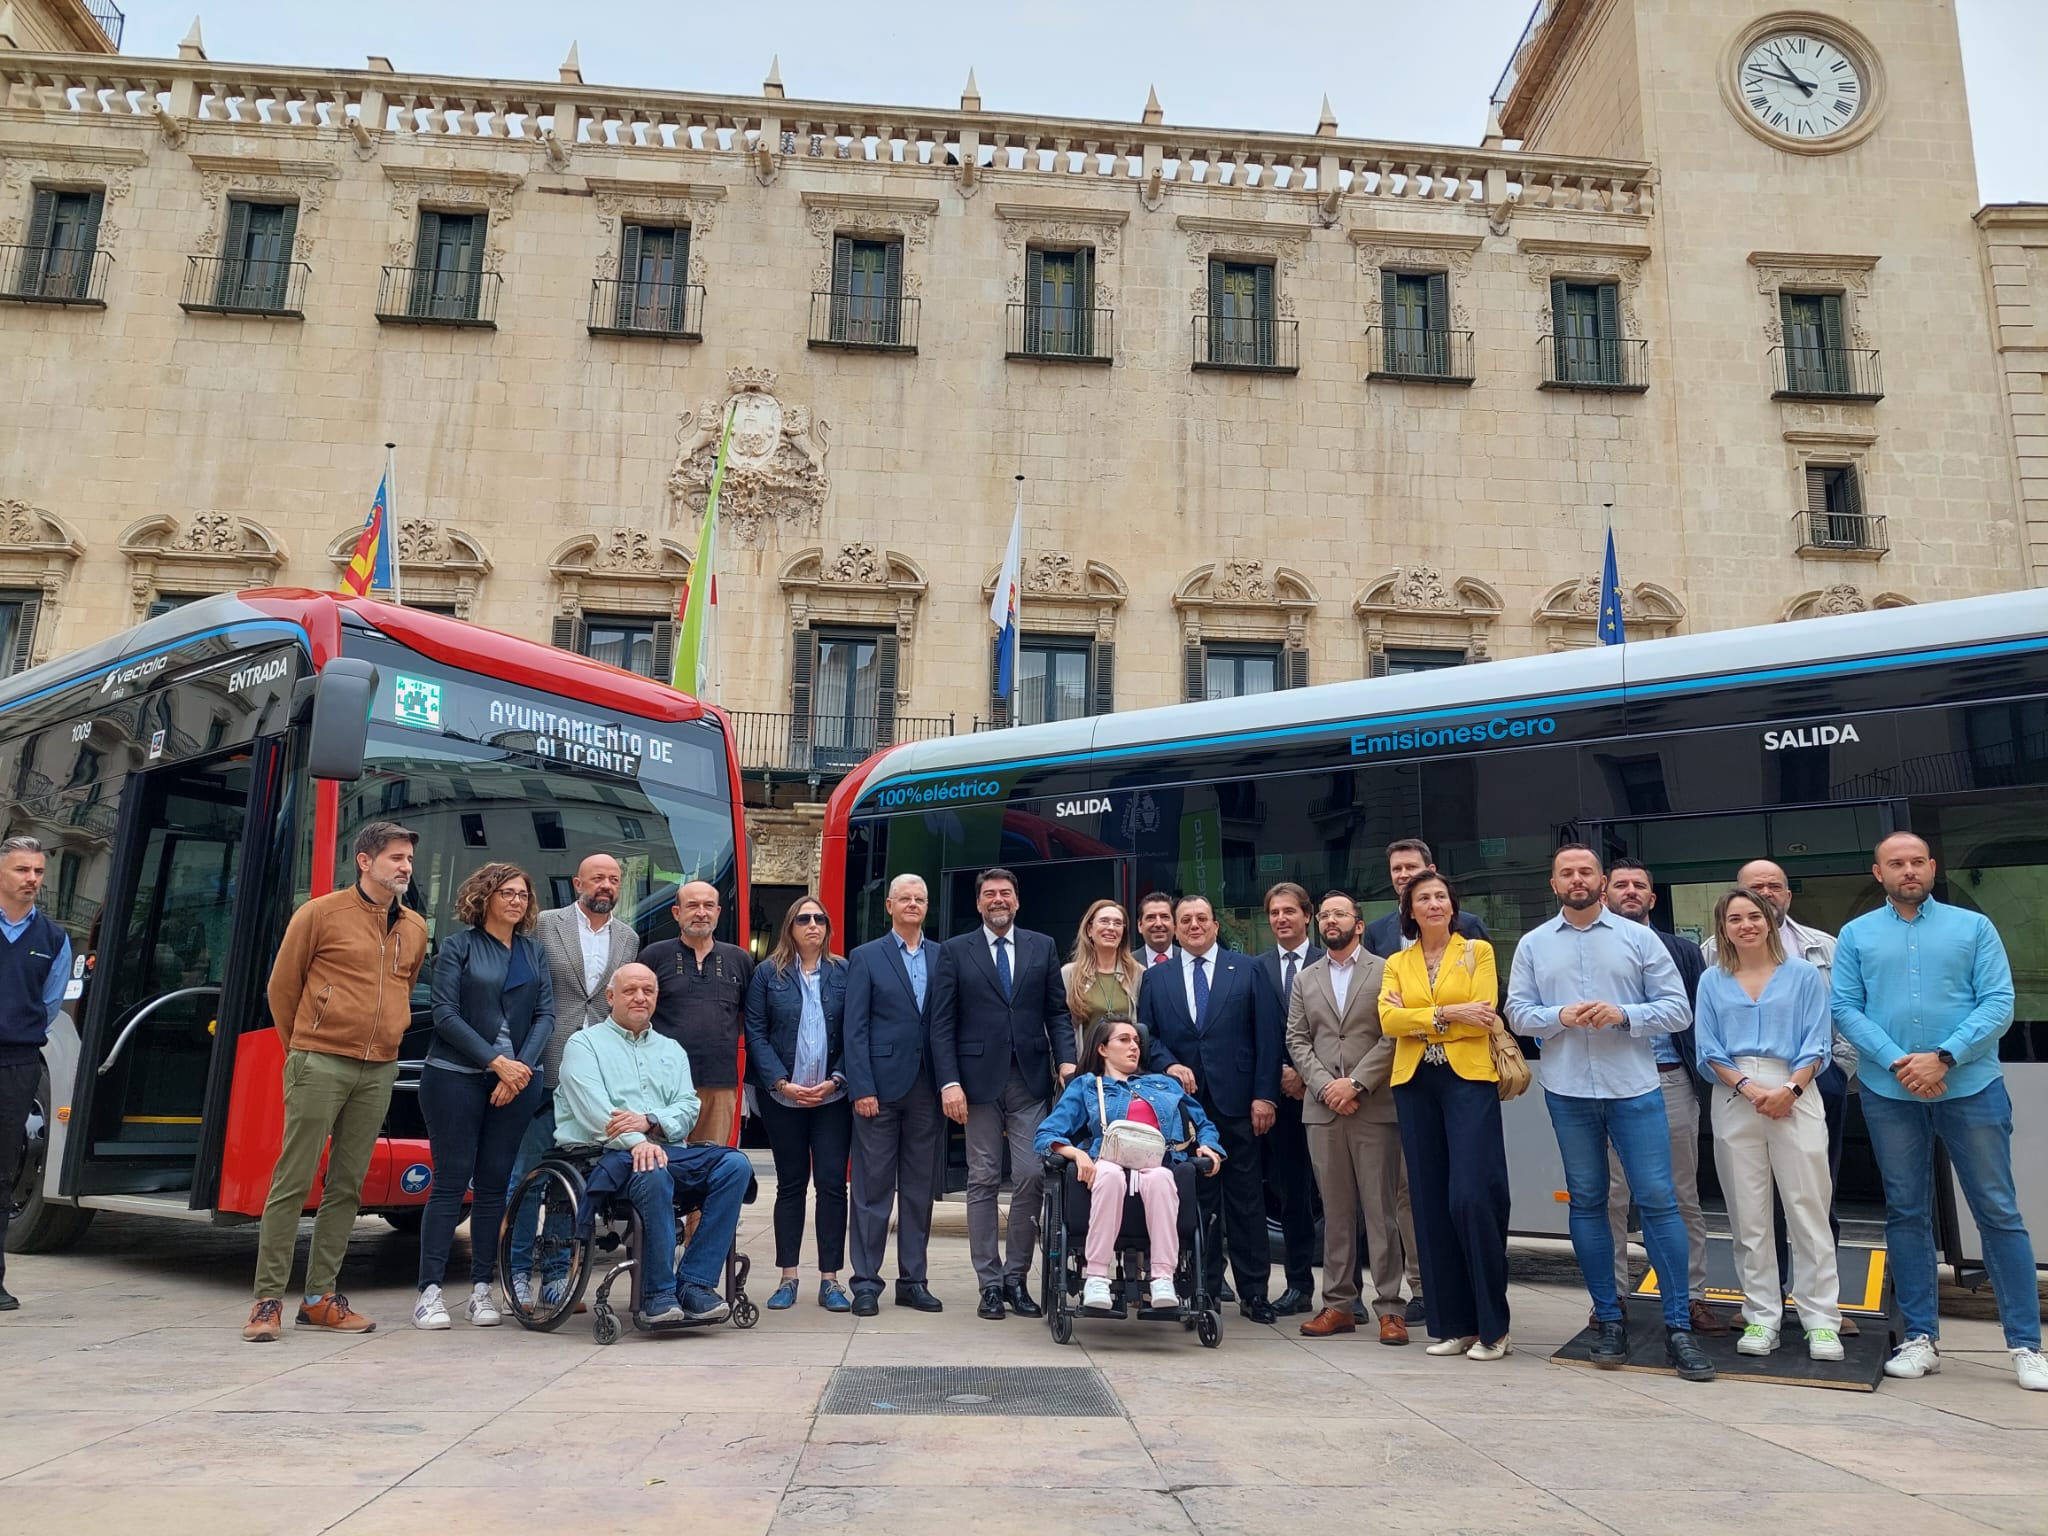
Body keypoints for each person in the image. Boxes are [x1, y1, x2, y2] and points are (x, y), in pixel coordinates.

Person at [1831, 832, 2046, 1391]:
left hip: (1970, 1084)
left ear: (1932, 867)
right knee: (1906, 1212)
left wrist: (1944, 1057)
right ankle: (1920, 1337)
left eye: (1916, 862)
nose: (1908, 871)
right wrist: (1901, 1062)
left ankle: (2026, 1345)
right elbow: (1846, 1008)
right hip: (1890, 1090)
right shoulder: (1856, 935)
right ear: (1878, 873)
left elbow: (1999, 1001)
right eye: (1895, 863)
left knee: (1997, 1212)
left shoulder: (1973, 927)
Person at [1505, 844, 1714, 1382]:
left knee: (1660, 1201)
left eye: (1586, 872)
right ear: (1553, 884)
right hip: (1568, 1090)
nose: (1577, 879)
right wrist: (1560, 1015)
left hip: (1635, 1089)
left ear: (1602, 882)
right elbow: (1518, 1014)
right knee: (1590, 1202)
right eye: (1566, 873)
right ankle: (1609, 1319)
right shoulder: (1532, 944)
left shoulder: (1639, 938)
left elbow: (1677, 1009)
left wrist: (1623, 1014)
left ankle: (1678, 1328)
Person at [244, 822, 430, 1342]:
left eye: (409, 859)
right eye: (395, 857)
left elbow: (405, 987)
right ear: (365, 862)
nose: (405, 867)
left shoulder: (414, 925)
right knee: (293, 1180)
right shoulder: (320, 913)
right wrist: (305, 1046)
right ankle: (266, 1301)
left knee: (347, 1185)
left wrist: (389, 1036)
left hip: (379, 1066)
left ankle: (320, 1298)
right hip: (320, 1059)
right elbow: (283, 987)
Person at [554, 963, 754, 1327]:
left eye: (648, 991)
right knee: (652, 1167)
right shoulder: (583, 1044)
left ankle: (695, 1284)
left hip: (668, 1149)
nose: (640, 997)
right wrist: (636, 1143)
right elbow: (595, 1110)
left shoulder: (671, 1049)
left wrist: (651, 1121)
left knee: (734, 1165)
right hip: (605, 1157)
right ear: (610, 997)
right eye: (630, 990)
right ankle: (658, 1294)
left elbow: (688, 1106)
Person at [1706, 857, 1856, 1335]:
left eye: (1754, 915)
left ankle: (1821, 1319)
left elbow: (1817, 1041)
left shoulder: (1806, 972)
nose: (1747, 924)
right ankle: (1760, 1316)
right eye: (1735, 918)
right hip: (1735, 1094)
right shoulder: (1711, 976)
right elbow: (1708, 1047)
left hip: (1799, 1087)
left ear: (1773, 916)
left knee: (1808, 1206)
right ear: (1723, 928)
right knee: (1748, 1215)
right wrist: (1749, 1088)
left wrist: (1789, 1089)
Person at [415, 862, 555, 1330]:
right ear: (484, 897)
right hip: (455, 1076)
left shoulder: (534, 953)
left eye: (522, 893)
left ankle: (481, 1289)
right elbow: (445, 1014)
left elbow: (545, 1016)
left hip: (517, 1081)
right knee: (452, 1181)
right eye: (506, 892)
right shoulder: (458, 947)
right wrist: (496, 1064)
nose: (516, 900)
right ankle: (430, 1292)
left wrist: (517, 1072)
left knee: (496, 1184)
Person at [931, 867, 1075, 1320]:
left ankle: (1017, 1278)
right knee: (983, 1177)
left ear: (1017, 901)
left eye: (1005, 893)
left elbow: (1056, 1010)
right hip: (975, 1085)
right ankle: (989, 1284)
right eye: (990, 894)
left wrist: (1067, 1059)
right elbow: (942, 1023)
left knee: (1032, 1175)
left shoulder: (1042, 946)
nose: (998, 900)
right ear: (978, 904)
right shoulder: (955, 951)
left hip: (1030, 1079)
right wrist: (949, 1082)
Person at [1379, 871, 1512, 1361]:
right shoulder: (1396, 961)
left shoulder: (1477, 951)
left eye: (1440, 897)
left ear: (1452, 907)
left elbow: (1485, 1013)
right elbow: (1388, 1021)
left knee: (1472, 1197)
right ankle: (1452, 1324)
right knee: (1429, 1202)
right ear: (1409, 910)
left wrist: (1423, 1017)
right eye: (1423, 899)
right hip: (1415, 1083)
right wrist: (1446, 1015)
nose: (1433, 905)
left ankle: (1493, 1327)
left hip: (1468, 1081)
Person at [1138, 893, 1283, 1323]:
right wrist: (1169, 1064)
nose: (1194, 926)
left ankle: (1255, 1291)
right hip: (1184, 1109)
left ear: (1216, 926)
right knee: (1192, 1201)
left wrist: (1265, 1096)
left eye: (1202, 918)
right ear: (1177, 930)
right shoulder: (1156, 979)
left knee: (1245, 1200)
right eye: (1186, 920)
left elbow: (1268, 1039)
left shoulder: (1249, 970)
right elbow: (1149, 1039)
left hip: (1239, 1104)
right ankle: (1200, 1286)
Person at [1286, 890, 1417, 1342]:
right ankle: (1338, 1305)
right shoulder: (1306, 979)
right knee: (1336, 1212)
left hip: (1374, 1107)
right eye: (1324, 915)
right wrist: (1326, 1086)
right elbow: (1297, 1040)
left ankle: (1390, 1308)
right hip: (1323, 1111)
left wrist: (1356, 1084)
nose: (1330, 921)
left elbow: (1394, 1035)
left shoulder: (1387, 972)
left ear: (1358, 925)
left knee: (1381, 1211)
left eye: (1339, 913)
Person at [1601, 859, 1722, 1334]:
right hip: (1606, 1085)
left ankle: (1691, 1296)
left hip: (1670, 1081)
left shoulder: (1683, 951)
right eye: (1621, 885)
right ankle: (1611, 1298)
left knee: (1680, 1195)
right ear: (1605, 894)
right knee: (1610, 1196)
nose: (1630, 891)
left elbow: (1695, 1017)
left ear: (1652, 899)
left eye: (1640, 886)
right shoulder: (1591, 951)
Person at [512, 852, 638, 1307]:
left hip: (593, 1080)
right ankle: (519, 1274)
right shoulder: (545, 924)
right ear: (577, 882)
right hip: (546, 1066)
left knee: (575, 1181)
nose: (605, 885)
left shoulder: (628, 937)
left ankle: (557, 1276)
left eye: (613, 879)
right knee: (529, 1175)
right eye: (597, 878)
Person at [1037, 1013, 1224, 1310]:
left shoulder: (1165, 1084)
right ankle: (1097, 1275)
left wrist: (1209, 1146)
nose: (1134, 1046)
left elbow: (1203, 1123)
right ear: (1102, 1048)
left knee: (1162, 1178)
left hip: (1157, 1162)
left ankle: (1163, 1277)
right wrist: (1078, 1154)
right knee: (1109, 1174)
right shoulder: (1087, 1085)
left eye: (1136, 1041)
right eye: (1124, 1040)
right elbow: (1048, 1133)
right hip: (1107, 1162)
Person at [744, 895, 853, 1313]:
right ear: (790, 926)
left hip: (832, 1097)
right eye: (804, 919)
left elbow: (855, 1030)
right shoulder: (767, 974)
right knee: (791, 1184)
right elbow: (755, 1031)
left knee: (830, 1184)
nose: (813, 925)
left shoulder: (844, 972)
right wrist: (780, 1082)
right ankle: (788, 1276)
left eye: (820, 919)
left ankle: (830, 1280)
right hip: (782, 1098)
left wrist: (837, 1079)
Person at [843, 874, 944, 1316]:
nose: (913, 905)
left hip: (928, 1087)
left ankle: (913, 1280)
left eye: (920, 899)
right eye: (905, 898)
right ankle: (866, 1282)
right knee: (871, 1189)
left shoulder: (944, 956)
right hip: (878, 1090)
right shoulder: (866, 957)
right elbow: (855, 1027)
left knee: (920, 1189)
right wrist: (861, 1087)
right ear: (888, 905)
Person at [0, 836, 70, 1312]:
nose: (31, 880)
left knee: (2, 1174)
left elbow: (49, 1004)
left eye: (38, 872)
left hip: (18, 1063)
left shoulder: (53, 939)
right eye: (22, 870)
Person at [641, 880, 753, 1147]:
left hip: (719, 1081)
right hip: (662, 1082)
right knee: (659, 1161)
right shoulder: (653, 957)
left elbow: (743, 1018)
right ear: (677, 913)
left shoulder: (740, 959)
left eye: (708, 906)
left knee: (710, 1161)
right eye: (692, 905)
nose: (701, 912)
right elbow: (638, 1015)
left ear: (718, 912)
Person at [1257, 881, 1322, 1318]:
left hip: (1327, 1094)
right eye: (1275, 913)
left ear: (1307, 916)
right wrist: (1278, 1075)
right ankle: (1298, 1285)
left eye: (1289, 912)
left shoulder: (1329, 960)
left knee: (1341, 1198)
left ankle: (1348, 1293)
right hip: (1279, 1098)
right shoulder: (1254, 968)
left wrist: (1306, 1073)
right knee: (1294, 1196)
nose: (1282, 919)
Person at [1363, 839, 1489, 960]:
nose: (1403, 875)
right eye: (1396, 869)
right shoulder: (1375, 932)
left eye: (1411, 867)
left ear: (1431, 871)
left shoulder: (1469, 925)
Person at [1062, 898, 1147, 1050]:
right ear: (1089, 930)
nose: (1111, 928)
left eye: (1117, 923)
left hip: (1125, 1069)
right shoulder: (1069, 974)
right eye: (1104, 921)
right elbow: (1060, 1027)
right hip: (1084, 1069)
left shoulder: (1138, 973)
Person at [1134, 892, 1179, 970]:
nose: (1158, 924)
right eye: (1151, 918)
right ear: (1140, 925)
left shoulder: (1189, 959)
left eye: (1165, 917)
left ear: (1175, 924)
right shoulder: (1128, 963)